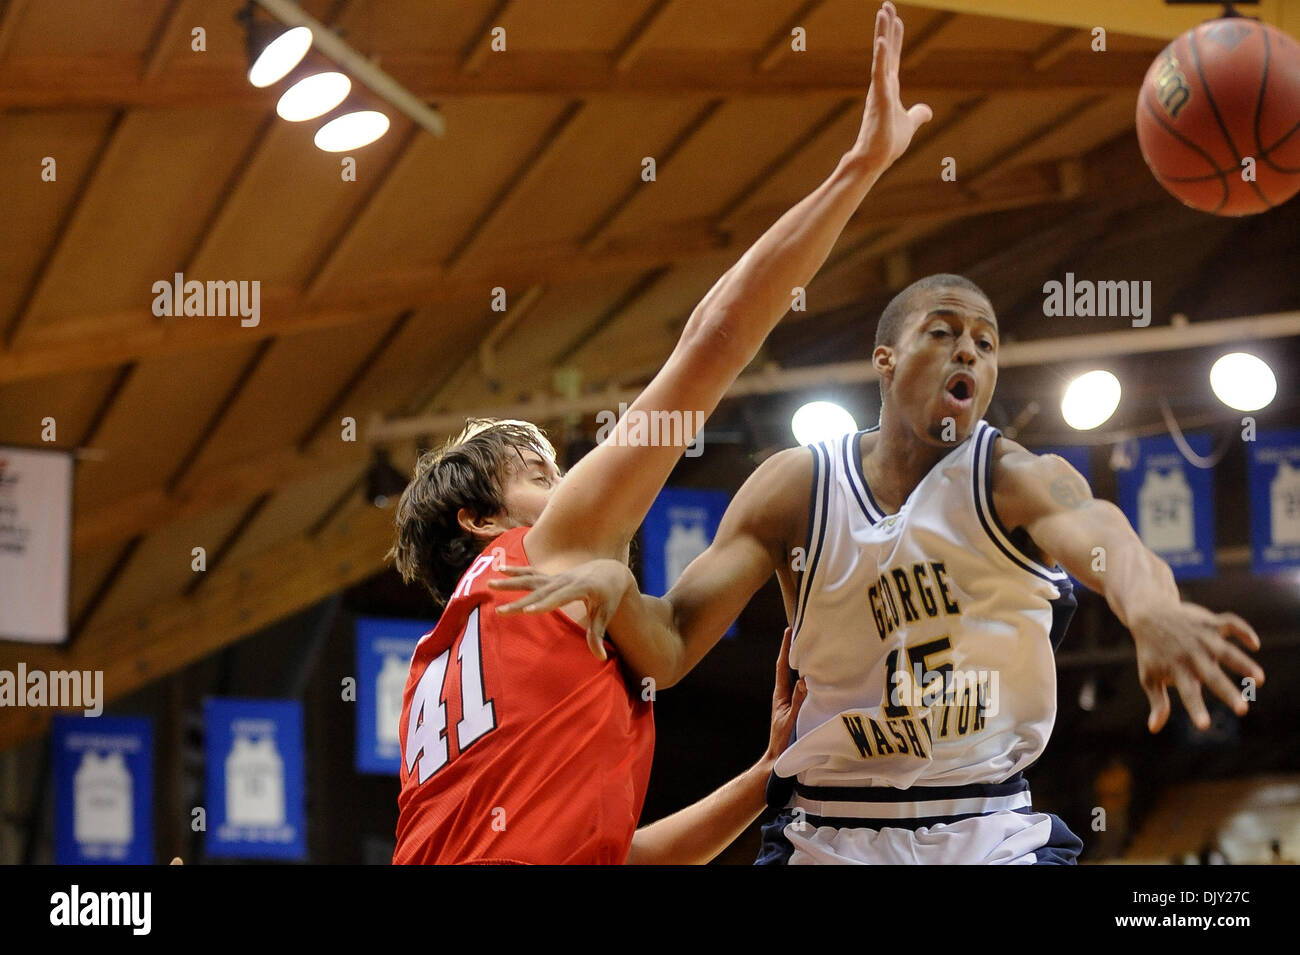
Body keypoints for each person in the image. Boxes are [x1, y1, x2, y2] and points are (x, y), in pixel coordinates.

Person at [388, 1, 932, 864]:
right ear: (482, 520)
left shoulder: (434, 669)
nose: (570, 481)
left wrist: (770, 770)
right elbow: (713, 341)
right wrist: (857, 172)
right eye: (541, 468)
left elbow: (616, 854)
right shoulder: (547, 547)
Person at [493, 280, 1268, 865]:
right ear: (886, 359)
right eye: (945, 331)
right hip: (830, 830)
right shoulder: (797, 486)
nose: (970, 350)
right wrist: (621, 589)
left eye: (987, 342)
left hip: (985, 829)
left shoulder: (1011, 475)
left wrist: (1152, 609)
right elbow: (669, 645)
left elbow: (1107, 536)